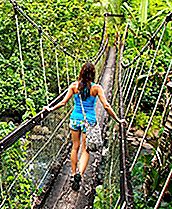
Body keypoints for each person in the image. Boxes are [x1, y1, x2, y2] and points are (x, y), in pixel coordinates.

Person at [44, 62, 126, 191]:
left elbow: (63, 102)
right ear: (93, 74)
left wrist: (50, 108)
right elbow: (106, 106)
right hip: (90, 122)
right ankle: (80, 174)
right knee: (85, 149)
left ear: (81, 73)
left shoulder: (74, 86)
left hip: (75, 120)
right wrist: (118, 120)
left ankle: (72, 174)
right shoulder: (97, 88)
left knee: (75, 147)